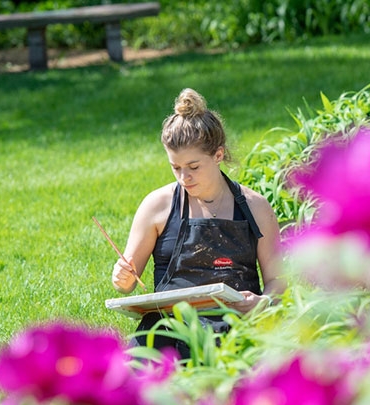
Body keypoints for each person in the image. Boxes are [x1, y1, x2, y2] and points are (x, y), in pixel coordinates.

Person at [111, 88, 284, 354]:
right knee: (135, 379)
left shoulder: (256, 207)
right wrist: (122, 277)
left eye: (193, 167)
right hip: (168, 327)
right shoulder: (157, 205)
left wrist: (264, 301)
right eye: (175, 167)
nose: (184, 178)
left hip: (234, 324)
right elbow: (128, 279)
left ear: (218, 155)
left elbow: (278, 282)